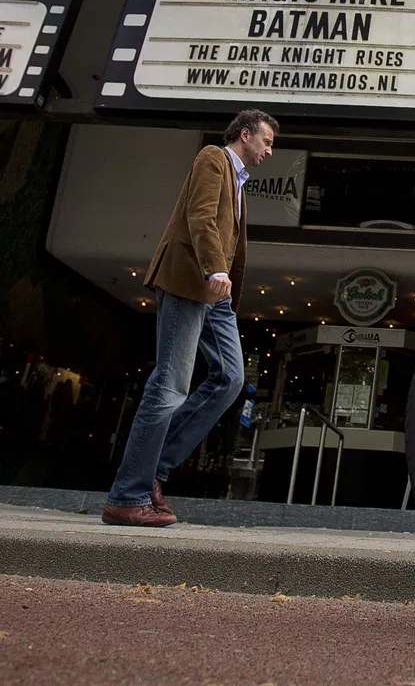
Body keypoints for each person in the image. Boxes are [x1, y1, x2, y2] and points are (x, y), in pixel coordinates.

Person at [103, 109, 277, 526]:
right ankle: (128, 495)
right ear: (246, 134)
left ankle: (153, 472)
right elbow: (200, 216)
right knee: (169, 385)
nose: (269, 151)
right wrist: (215, 268)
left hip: (215, 294)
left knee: (231, 379)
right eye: (267, 142)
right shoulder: (213, 158)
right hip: (190, 279)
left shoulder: (239, 181)